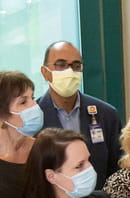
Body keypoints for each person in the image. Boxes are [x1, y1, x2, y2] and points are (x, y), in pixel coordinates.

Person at [38, 41, 123, 187]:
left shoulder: (106, 114)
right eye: (61, 64)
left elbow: (118, 170)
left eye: (76, 66)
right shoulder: (34, 119)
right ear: (45, 72)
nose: (69, 71)